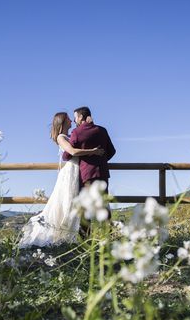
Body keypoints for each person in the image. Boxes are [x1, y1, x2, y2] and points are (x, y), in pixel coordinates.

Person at [17, 112, 105, 248]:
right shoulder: (61, 137)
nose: (71, 120)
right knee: (66, 203)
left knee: (76, 203)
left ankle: (77, 237)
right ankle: (62, 236)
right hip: (70, 171)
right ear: (63, 122)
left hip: (77, 170)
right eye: (69, 118)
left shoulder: (72, 135)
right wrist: (93, 151)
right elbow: (73, 152)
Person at [62, 106, 117, 236]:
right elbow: (112, 151)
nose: (74, 120)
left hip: (85, 174)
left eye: (75, 117)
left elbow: (66, 155)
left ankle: (86, 238)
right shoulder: (102, 130)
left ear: (80, 117)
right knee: (103, 204)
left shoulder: (77, 132)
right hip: (102, 172)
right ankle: (108, 236)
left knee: (85, 206)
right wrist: (101, 160)